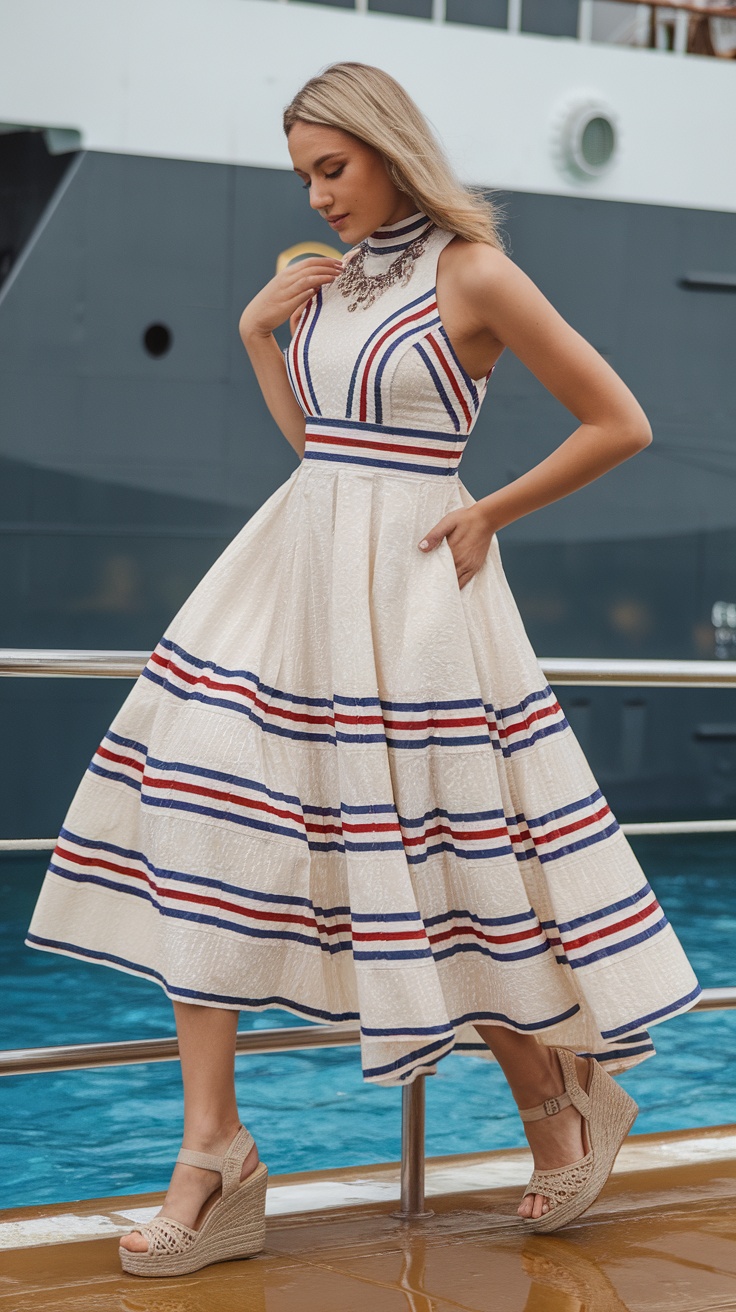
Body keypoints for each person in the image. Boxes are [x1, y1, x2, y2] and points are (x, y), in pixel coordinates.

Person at [26, 61, 700, 1276]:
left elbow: (620, 421)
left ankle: (557, 1101)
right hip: (295, 565)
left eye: (331, 169)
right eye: (304, 176)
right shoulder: (325, 283)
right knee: (196, 793)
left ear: (391, 148)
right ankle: (215, 1149)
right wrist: (258, 334)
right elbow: (325, 449)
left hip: (412, 585)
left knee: (442, 854)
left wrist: (491, 509)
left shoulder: (473, 272)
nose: (318, 195)